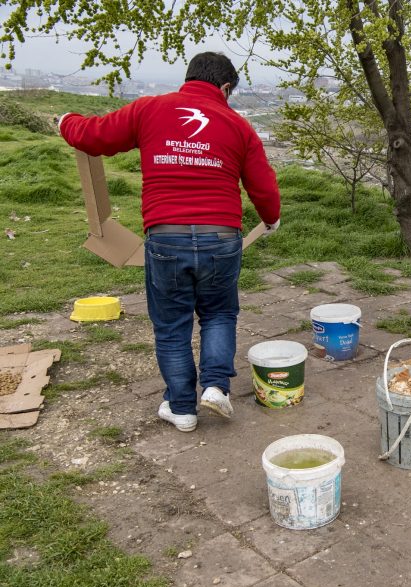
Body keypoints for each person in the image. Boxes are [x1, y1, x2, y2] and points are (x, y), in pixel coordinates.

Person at [59, 52, 281, 432]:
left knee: (172, 324)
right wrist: (271, 219)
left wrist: (67, 121)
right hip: (222, 237)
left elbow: (93, 136)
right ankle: (215, 388)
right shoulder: (237, 125)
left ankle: (181, 409)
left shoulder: (150, 109)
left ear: (189, 77)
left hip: (166, 236)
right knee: (219, 313)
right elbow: (263, 186)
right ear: (225, 88)